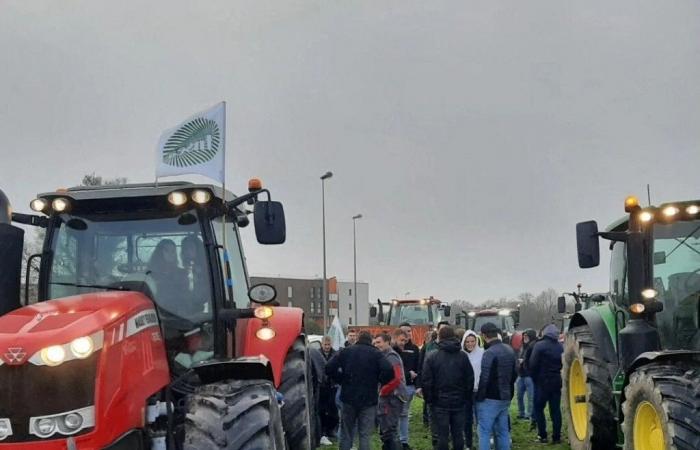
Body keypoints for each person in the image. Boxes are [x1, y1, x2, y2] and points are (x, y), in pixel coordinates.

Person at [326, 331, 393, 450]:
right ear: (371, 340)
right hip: (369, 398)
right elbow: (389, 370)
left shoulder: (346, 351)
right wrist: (379, 381)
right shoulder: (376, 354)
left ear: (357, 339)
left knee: (346, 433)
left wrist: (341, 379)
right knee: (364, 435)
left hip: (348, 397)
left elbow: (329, 367)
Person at [422, 326, 474, 450]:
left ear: (439, 337)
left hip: (439, 401)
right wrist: (466, 397)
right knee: (458, 434)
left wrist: (429, 400)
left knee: (441, 435)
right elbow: (469, 379)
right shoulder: (463, 356)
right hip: (459, 401)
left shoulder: (432, 356)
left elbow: (427, 381)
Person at [476, 322, 517, 450]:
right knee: (503, 432)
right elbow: (515, 373)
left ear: (483, 335)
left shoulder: (489, 353)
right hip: (506, 397)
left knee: (484, 432)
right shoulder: (509, 349)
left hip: (490, 398)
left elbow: (484, 378)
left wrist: (479, 396)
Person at [529, 324, 564, 444]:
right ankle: (556, 437)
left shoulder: (539, 345)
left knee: (538, 409)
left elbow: (533, 364)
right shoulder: (560, 346)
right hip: (556, 381)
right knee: (555, 410)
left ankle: (542, 436)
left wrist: (535, 379)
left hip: (542, 382)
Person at [374, 332, 407, 450]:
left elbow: (397, 378)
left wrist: (383, 390)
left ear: (387, 342)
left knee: (390, 431)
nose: (376, 345)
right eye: (375, 343)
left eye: (379, 342)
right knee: (386, 432)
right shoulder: (384, 356)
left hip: (393, 397)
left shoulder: (391, 356)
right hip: (389, 397)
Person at [396, 323, 420, 450]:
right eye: (404, 332)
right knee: (395, 414)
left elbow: (418, 366)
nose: (407, 334)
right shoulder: (394, 349)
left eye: (409, 331)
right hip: (395, 386)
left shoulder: (415, 349)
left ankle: (404, 441)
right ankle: (393, 440)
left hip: (409, 386)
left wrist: (418, 385)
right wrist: (407, 373)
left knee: (404, 414)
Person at [461, 330, 484, 450]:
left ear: (476, 341)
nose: (470, 344)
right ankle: (469, 443)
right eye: (467, 342)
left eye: (472, 341)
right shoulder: (461, 355)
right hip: (466, 392)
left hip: (479, 390)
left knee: (480, 419)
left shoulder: (482, 353)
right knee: (467, 419)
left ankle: (481, 442)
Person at [318, 336, 339, 445]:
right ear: (321, 345)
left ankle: (331, 430)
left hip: (332, 385)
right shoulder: (317, 354)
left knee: (333, 410)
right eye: (325, 345)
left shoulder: (335, 354)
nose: (327, 347)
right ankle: (322, 433)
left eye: (328, 345)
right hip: (321, 386)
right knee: (321, 410)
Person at [516, 329, 537, 420]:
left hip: (529, 375)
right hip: (521, 374)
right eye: (524, 336)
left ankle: (529, 415)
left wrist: (524, 361)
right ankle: (521, 413)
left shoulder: (534, 347)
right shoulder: (523, 347)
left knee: (531, 397)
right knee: (519, 396)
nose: (524, 337)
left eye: (527, 336)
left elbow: (534, 360)